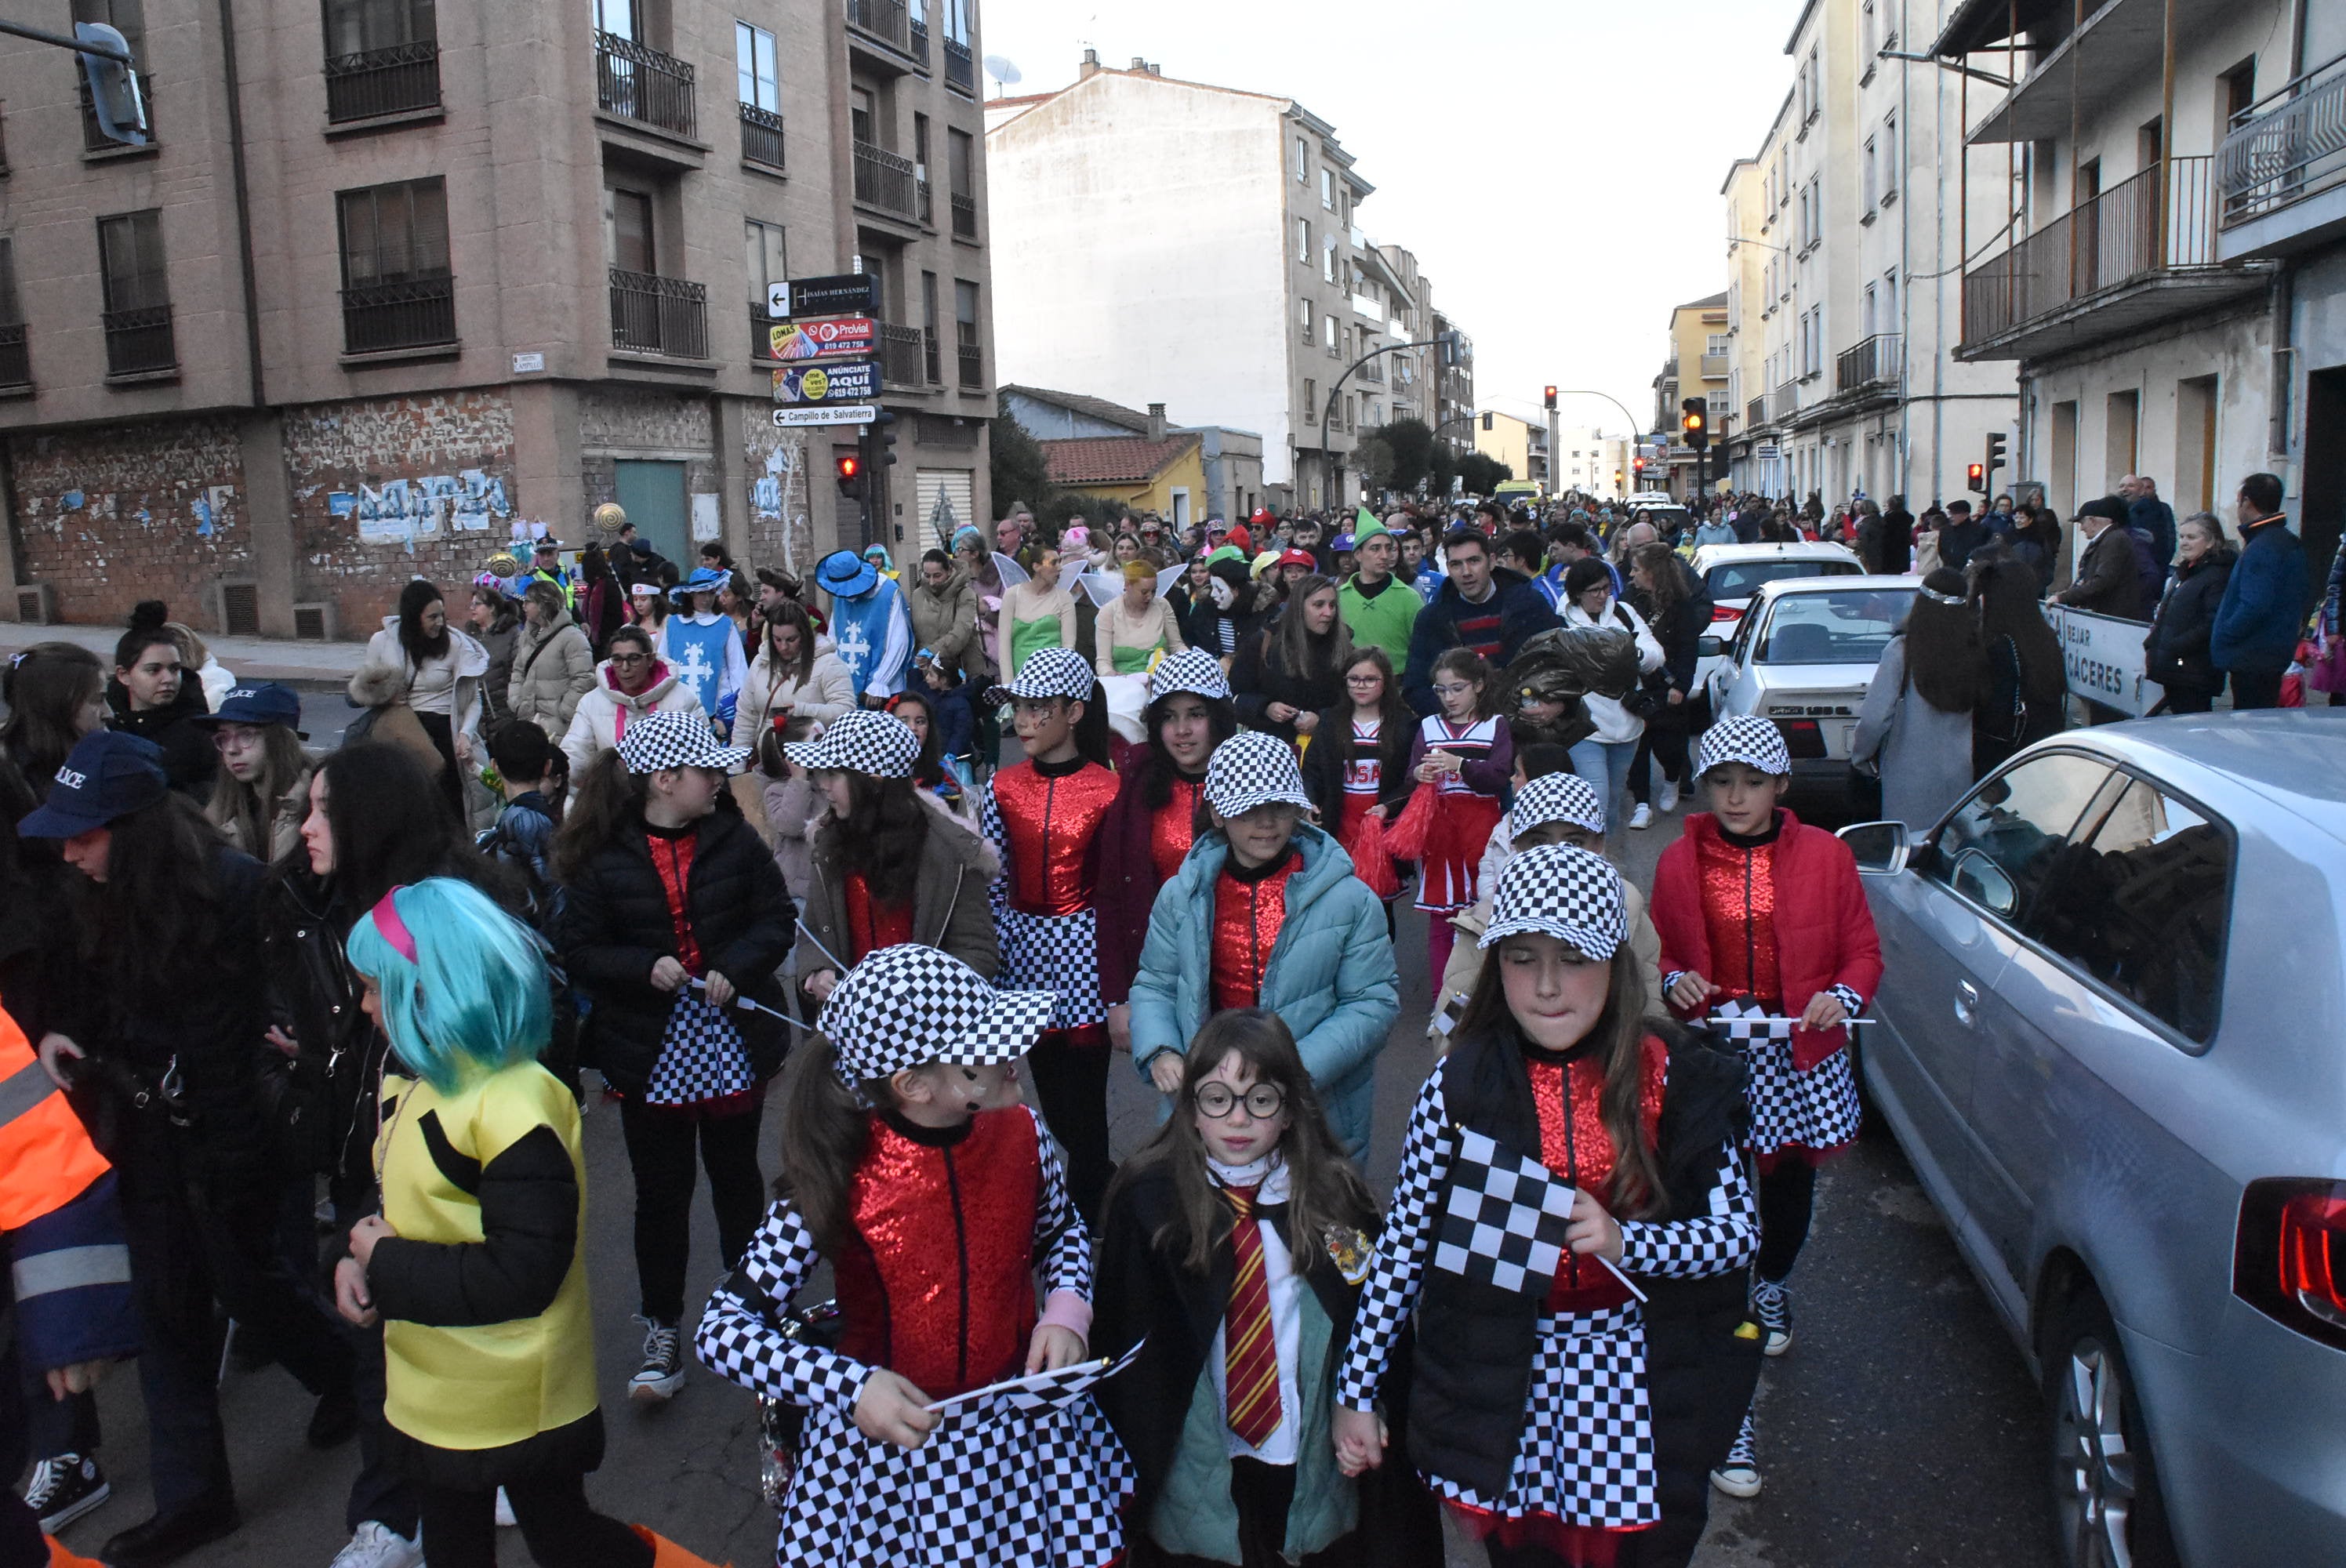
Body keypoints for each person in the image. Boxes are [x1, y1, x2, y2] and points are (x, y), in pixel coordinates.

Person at [1333, 844, 1763, 1568]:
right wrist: (1356, 1388)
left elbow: (1737, 1234)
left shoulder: (1675, 1075)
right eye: (1523, 958)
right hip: (1504, 1378)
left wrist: (1628, 1243)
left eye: (1574, 957)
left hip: (1642, 1378)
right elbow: (1406, 1243)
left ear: (1616, 964)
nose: (1548, 986)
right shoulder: (1460, 1088)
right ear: (1495, 965)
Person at [22, 731, 358, 1568]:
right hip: (148, 1139)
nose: (69, 851)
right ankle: (195, 1498)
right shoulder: (88, 894)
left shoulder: (235, 891)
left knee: (256, 1287)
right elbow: (93, 999)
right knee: (169, 1316)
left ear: (133, 831)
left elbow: (260, 1033)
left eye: (84, 833)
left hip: (234, 1137)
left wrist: (236, 1154)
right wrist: (73, 1037)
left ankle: (346, 1379)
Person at [692, 945, 1131, 1566]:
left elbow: (1061, 1233)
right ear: (914, 1086)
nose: (1015, 1058)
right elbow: (721, 1331)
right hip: (892, 1455)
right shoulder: (840, 1172)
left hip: (1022, 1430)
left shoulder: (1023, 1133)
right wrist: (849, 1387)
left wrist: (1065, 1311)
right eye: (987, 1049)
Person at [339, 878, 711, 1568]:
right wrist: (352, 1257)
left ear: (430, 990)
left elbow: (524, 1272)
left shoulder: (514, 1105)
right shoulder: (412, 1076)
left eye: (372, 987)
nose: (363, 1007)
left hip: (513, 1390)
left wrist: (384, 1267)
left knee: (566, 1540)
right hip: (437, 1383)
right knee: (473, 1545)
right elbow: (394, 1190)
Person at [263, 742, 517, 1568]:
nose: (305, 828)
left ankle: (503, 1462)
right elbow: (327, 1040)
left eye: (322, 809)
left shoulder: (465, 905)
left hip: (459, 1160)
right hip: (359, 1155)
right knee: (380, 1341)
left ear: (368, 816)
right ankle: (388, 1513)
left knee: (478, 1322)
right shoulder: (310, 906)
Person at [1091, 1009, 1411, 1568]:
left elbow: (1374, 1316)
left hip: (1303, 1442)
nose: (1238, 1118)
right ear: (1191, 1109)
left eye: (1260, 1099)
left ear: (1289, 1111)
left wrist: (1370, 1403)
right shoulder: (1151, 1202)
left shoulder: (1331, 1202)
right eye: (1217, 1098)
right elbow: (1123, 1340)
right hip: (1196, 1453)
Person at [1651, 717, 1881, 1492]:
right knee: (1708, 1195)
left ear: (1781, 786)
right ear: (1705, 788)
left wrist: (1841, 995)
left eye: (1751, 781)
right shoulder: (1679, 861)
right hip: (1714, 1053)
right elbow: (1664, 954)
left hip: (1797, 1051)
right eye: (1722, 782)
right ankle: (1722, 1346)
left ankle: (1771, 1283)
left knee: (1785, 1182)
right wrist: (1672, 980)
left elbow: (1861, 949)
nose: (1736, 795)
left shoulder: (1828, 855)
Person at [552, 713, 792, 1406]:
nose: (721, 780)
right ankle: (664, 1328)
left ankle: (755, 1320)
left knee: (737, 1179)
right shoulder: (605, 854)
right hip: (646, 1048)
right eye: (708, 771)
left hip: (729, 1040)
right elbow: (581, 951)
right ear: (665, 780)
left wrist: (733, 968)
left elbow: (775, 921)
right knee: (661, 1196)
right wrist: (642, 966)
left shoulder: (736, 839)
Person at [1127, 731, 1400, 1159]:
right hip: (1208, 1103)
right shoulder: (1182, 895)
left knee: (1306, 1220)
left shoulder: (1350, 899)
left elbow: (1372, 1002)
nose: (1267, 822)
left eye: (1279, 807)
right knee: (1210, 1218)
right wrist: (1161, 1049)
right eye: (1249, 810)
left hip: (1314, 1106)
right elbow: (1156, 984)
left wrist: (1294, 1072)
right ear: (1217, 814)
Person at [979, 648, 1120, 1219]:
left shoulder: (1110, 788)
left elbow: (1116, 888)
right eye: (1019, 707)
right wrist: (993, 955)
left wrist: (1122, 971)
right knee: (1049, 1089)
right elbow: (994, 878)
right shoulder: (1001, 787)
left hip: (1085, 955)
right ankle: (1096, 1196)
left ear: (1075, 712)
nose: (1024, 720)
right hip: (1022, 953)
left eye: (1039, 708)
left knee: (1084, 1097)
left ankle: (1093, 1206)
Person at [1436, 766, 1666, 1036]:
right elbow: (1451, 1023)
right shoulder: (1488, 918)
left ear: (1597, 843)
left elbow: (1649, 1009)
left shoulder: (1627, 907)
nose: (1557, 854)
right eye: (1538, 841)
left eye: (1574, 841)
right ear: (1517, 844)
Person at [789, 709, 997, 1004]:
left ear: (873, 779)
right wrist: (816, 972)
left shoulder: (951, 852)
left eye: (834, 773)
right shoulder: (828, 842)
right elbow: (813, 932)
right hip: (852, 1033)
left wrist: (924, 998)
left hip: (929, 1034)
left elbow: (978, 950)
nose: (823, 784)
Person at [1098, 652, 1240, 1053]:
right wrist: (1118, 997)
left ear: (1218, 718)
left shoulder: (1248, 780)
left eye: (1195, 714)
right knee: (1176, 1098)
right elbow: (1111, 894)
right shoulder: (1136, 786)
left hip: (1244, 974)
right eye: (1168, 717)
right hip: (1165, 979)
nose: (1181, 730)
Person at [1408, 648, 1513, 989]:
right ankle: (1444, 998)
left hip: (1482, 831)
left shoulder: (1495, 725)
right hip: (1440, 835)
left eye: (1457, 688)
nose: (1449, 698)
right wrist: (1420, 772)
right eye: (1441, 690)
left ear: (1479, 686)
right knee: (1442, 921)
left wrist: (1461, 765)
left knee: (1485, 913)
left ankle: (1486, 995)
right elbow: (1411, 772)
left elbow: (1499, 776)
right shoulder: (1428, 726)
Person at [1851, 570, 1983, 831]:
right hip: (1961, 777)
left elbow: (1875, 718)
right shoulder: (1974, 652)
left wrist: (1861, 758)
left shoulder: (1902, 651)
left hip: (1907, 777)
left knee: (1907, 854)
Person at [1298, 646, 1416, 912]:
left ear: (1385, 682)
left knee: (1378, 910)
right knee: (1337, 906)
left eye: (1370, 679)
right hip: (1339, 825)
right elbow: (1312, 770)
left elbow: (1411, 781)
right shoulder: (1330, 721)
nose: (1361, 686)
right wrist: (1310, 800)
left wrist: (1389, 805)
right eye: (1354, 679)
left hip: (1380, 828)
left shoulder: (1404, 726)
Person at [364, 579, 490, 820]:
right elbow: (367, 689)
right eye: (432, 617)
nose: (440, 623)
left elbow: (474, 700)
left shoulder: (455, 644)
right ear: (413, 617)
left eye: (442, 615)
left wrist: (465, 733)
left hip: (445, 737)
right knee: (406, 812)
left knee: (448, 813)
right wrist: (386, 697)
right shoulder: (382, 642)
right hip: (403, 733)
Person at [1402, 528, 1560, 716]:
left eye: (1474, 561)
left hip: (1526, 722)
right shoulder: (1433, 618)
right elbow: (1416, 686)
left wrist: (1556, 705)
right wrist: (1458, 715)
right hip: (1459, 729)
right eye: (1456, 564)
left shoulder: (1529, 604)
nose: (1466, 572)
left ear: (1492, 562)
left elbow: (1559, 663)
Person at [1559, 557, 1664, 832]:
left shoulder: (1625, 612)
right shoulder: (1561, 618)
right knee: (1596, 799)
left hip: (1626, 722)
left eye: (1606, 588)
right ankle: (1592, 864)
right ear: (1578, 592)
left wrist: (1632, 656)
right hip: (1584, 726)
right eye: (1595, 590)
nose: (1603, 596)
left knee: (1615, 800)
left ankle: (1611, 864)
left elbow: (1654, 653)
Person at [2213, 471, 2309, 710]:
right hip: (2272, 653)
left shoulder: (2263, 546)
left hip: (2253, 657)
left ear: (2247, 502)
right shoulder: (2287, 541)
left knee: (2250, 720)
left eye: (2238, 501)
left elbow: (2254, 605)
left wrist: (2226, 633)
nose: (2238, 507)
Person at [561, 625, 706, 776]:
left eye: (634, 659)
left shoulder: (683, 699)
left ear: (650, 659)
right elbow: (575, 756)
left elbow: (703, 759)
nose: (625, 667)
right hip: (613, 797)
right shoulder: (591, 703)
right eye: (617, 659)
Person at [107, 601, 217, 797]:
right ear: (124, 675)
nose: (168, 679)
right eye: (153, 670)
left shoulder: (199, 733)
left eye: (175, 669)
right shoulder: (107, 724)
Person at [194, 681, 312, 862]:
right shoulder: (222, 809)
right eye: (223, 737)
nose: (232, 749)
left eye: (246, 734)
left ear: (281, 740)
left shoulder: (316, 803)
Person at [1971, 557, 2069, 775]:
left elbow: (1992, 713)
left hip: (2004, 759)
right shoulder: (2045, 636)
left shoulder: (1997, 646)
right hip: (2042, 753)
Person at [1628, 544, 1703, 818]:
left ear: (1653, 573)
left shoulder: (1681, 605)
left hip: (1668, 685)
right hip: (1637, 685)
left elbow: (1688, 648)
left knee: (1670, 747)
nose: (1632, 575)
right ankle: (1642, 804)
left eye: (1637, 570)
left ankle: (1672, 780)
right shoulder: (1630, 599)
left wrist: (1680, 685)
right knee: (1638, 746)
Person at [1232, 575, 1350, 744]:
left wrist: (1322, 719)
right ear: (1299, 607)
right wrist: (1266, 708)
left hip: (1324, 749)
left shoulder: (1343, 646)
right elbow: (1234, 697)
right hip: (1270, 748)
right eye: (1319, 605)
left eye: (1332, 605)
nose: (1328, 613)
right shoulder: (1264, 643)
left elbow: (1351, 702)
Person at [2143, 512, 2236, 717]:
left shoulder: (2217, 575)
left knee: (2194, 724)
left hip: (2194, 670)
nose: (2184, 543)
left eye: (2192, 538)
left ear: (2211, 542)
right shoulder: (2185, 572)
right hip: (2175, 668)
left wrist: (2176, 646)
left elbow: (2212, 622)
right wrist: (2154, 641)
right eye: (2182, 537)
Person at [732, 601, 855, 742]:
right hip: (768, 757)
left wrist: (801, 711)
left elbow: (846, 713)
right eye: (777, 639)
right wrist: (738, 763)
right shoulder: (760, 662)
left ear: (804, 635)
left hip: (811, 759)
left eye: (791, 639)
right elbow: (745, 718)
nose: (783, 647)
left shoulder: (830, 663)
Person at [657, 567, 750, 735]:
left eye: (711, 593)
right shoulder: (673, 625)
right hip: (677, 712)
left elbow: (738, 669)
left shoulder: (725, 625)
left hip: (716, 712)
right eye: (701, 593)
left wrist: (734, 708)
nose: (707, 599)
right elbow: (663, 666)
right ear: (691, 594)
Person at [506, 578, 598, 743]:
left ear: (543, 604)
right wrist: (516, 702)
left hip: (560, 727)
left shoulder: (572, 637)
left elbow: (584, 678)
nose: (523, 606)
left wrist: (565, 711)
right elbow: (518, 672)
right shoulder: (526, 637)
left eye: (528, 601)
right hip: (528, 722)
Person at [1337, 516, 1422, 665]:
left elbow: (1423, 650)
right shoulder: (1339, 597)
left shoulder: (1410, 598)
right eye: (1375, 549)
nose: (1384, 556)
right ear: (1358, 554)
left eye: (1388, 548)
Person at [2051, 498, 2146, 622]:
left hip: (2113, 619)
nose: (2081, 529)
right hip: (2108, 616)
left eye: (2082, 523)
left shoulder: (2115, 540)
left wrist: (2063, 598)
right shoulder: (2108, 540)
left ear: (2092, 520)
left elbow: (2102, 582)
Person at [1097, 559, 1189, 676]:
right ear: (1127, 585)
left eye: (1154, 591)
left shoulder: (1163, 605)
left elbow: (1177, 647)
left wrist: (1190, 659)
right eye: (1144, 592)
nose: (1150, 597)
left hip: (1161, 679)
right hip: (1123, 683)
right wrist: (1110, 675)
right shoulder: (1108, 611)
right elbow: (1103, 661)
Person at [468, 581, 522, 731]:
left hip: (504, 708)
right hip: (477, 712)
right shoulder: (468, 636)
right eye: (471, 604)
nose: (472, 608)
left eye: (477, 604)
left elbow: (517, 669)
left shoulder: (512, 633)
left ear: (491, 608)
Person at [2123, 475, 2177, 586]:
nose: (2146, 491)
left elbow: (2170, 534)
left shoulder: (2163, 509)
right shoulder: (2129, 509)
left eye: (2149, 488)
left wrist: (2166, 558)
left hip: (2157, 561)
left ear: (2154, 490)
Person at [1936, 500, 1987, 574]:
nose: (1950, 517)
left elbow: (1981, 551)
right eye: (1950, 513)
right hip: (1950, 572)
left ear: (1965, 515)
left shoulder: (1979, 530)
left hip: (1972, 572)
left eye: (1954, 514)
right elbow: (1942, 550)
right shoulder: (1945, 531)